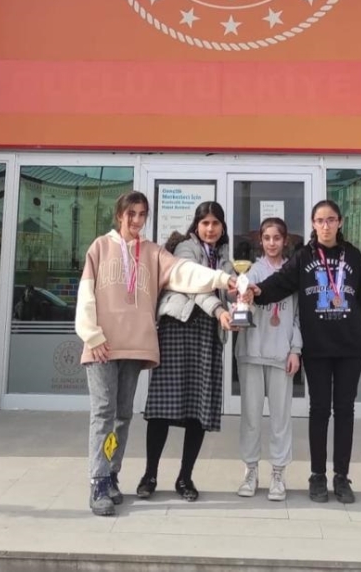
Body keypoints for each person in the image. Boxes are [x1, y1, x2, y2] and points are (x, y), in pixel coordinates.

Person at [75, 191, 237, 517]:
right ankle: (98, 481)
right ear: (119, 215)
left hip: (134, 346)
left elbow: (186, 273)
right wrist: (91, 334)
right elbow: (86, 294)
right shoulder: (100, 247)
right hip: (102, 344)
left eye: (142, 214)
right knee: (103, 413)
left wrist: (224, 278)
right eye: (131, 214)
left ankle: (112, 474)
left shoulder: (153, 253)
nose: (137, 220)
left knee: (122, 416)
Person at [246, 200, 361, 504]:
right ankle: (317, 476)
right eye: (319, 220)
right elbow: (280, 282)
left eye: (331, 220)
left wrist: (357, 325)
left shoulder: (353, 255)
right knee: (319, 410)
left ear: (340, 222)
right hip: (317, 347)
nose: (325, 226)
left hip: (350, 346)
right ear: (313, 224)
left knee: (345, 410)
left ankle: (341, 476)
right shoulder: (304, 256)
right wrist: (256, 292)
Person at [138, 201, 235, 502]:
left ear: (222, 227)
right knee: (162, 408)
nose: (210, 229)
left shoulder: (225, 256)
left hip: (208, 335)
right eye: (205, 223)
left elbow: (230, 291)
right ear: (196, 225)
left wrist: (242, 295)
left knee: (198, 410)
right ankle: (149, 475)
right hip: (178, 328)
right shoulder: (184, 249)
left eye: (215, 223)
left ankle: (185, 477)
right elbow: (195, 285)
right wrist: (220, 308)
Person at [235, 217, 302, 501]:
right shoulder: (250, 273)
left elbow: (298, 316)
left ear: (285, 241)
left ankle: (278, 472)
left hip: (280, 354)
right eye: (267, 238)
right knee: (251, 417)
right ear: (260, 241)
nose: (272, 243)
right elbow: (241, 310)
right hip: (252, 352)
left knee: (280, 418)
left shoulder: (292, 274)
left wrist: (296, 349)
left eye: (277, 238)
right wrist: (242, 300)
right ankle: (250, 470)